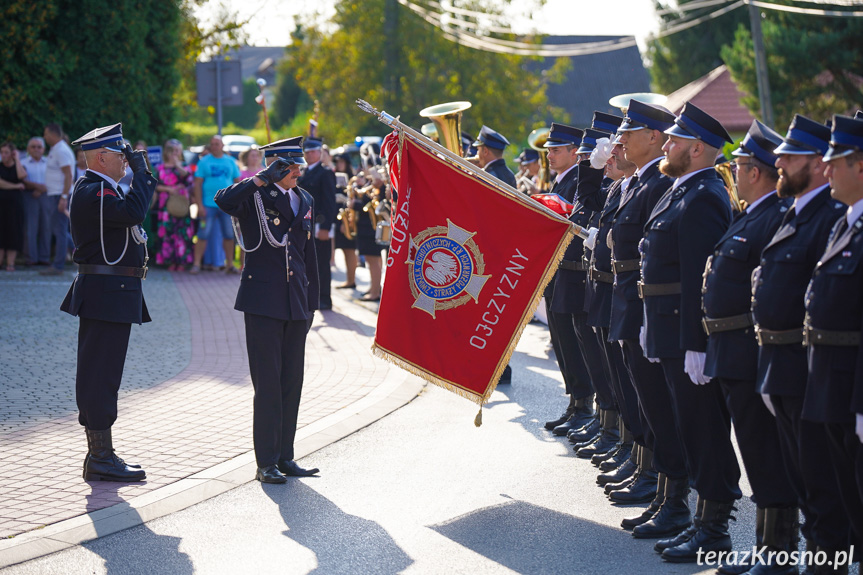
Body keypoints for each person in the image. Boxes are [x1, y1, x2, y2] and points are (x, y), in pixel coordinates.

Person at [752, 115, 850, 571]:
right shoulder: (794, 212)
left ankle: (825, 562)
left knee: (823, 484)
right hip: (783, 365)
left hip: (809, 368)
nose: (778, 161)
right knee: (802, 477)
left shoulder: (830, 216)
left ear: (815, 162)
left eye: (789, 156)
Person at [701, 120, 799, 574]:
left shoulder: (775, 215)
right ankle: (767, 547)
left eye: (739, 166)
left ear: (755, 172)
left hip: (750, 350)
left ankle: (778, 553)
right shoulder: (750, 213)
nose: (733, 173)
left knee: (766, 452)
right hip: (733, 350)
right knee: (757, 451)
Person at [214, 136, 320, 484]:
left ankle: (286, 456)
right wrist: (261, 178)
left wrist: (312, 305)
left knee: (292, 382)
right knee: (268, 385)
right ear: (274, 166)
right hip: (263, 302)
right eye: (289, 167)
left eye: (297, 166)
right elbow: (223, 202)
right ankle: (266, 461)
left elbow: (309, 258)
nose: (296, 172)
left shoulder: (305, 199)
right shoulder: (255, 195)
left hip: (295, 303)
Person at [60, 123, 155, 482]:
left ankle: (102, 454)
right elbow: (133, 213)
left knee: (106, 375)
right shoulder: (93, 190)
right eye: (120, 155)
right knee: (99, 376)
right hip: (104, 293)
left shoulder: (103, 188)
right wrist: (143, 173)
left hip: (113, 293)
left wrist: (135, 171)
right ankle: (99, 457)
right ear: (101, 157)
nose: (126, 162)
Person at [609, 100, 688, 532]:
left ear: (653, 138)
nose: (620, 140)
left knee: (660, 405)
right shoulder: (641, 182)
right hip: (629, 299)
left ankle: (673, 496)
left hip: (647, 307)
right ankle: (663, 490)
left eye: (629, 132)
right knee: (647, 402)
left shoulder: (657, 184)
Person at [805, 114, 863, 564]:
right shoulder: (846, 222)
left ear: (859, 166)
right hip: (830, 382)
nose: (825, 170)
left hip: (852, 388)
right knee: (844, 495)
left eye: (834, 162)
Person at [191, 135, 241, 274]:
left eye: (217, 144)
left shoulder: (230, 162)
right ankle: (196, 264)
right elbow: (197, 184)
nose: (214, 146)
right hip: (208, 205)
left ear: (222, 146)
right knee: (203, 234)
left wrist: (237, 205)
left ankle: (229, 265)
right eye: (212, 144)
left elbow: (238, 183)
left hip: (227, 206)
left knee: (229, 235)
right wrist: (199, 205)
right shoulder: (204, 162)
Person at [297, 137, 337, 310]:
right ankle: (311, 297)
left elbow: (329, 202)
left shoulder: (326, 173)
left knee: (321, 263)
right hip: (305, 224)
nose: (310, 155)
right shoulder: (302, 172)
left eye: (313, 151)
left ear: (320, 153)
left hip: (320, 224)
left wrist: (326, 227)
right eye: (307, 152)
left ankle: (324, 299)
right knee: (308, 264)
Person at [40, 123, 75, 276]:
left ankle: (58, 265)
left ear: (53, 134)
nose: (44, 137)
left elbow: (68, 175)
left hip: (60, 195)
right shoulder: (57, 149)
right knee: (59, 229)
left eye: (46, 134)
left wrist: (63, 197)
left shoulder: (61, 150)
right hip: (57, 194)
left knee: (60, 230)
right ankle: (83, 249)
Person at [153, 139, 194, 270]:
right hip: (165, 204)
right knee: (167, 232)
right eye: (172, 150)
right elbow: (155, 185)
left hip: (181, 203)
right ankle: (169, 261)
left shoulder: (184, 166)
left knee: (182, 232)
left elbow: (189, 180)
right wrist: (168, 189)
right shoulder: (159, 167)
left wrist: (178, 165)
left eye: (177, 150)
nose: (175, 153)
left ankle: (182, 261)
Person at [21, 137, 50, 266]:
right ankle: (30, 258)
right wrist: (38, 187)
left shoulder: (50, 162)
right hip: (29, 196)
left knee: (46, 227)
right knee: (30, 228)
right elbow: (22, 181)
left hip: (47, 196)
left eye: (39, 147)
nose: (36, 149)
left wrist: (40, 188)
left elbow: (55, 179)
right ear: (28, 149)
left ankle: (44, 257)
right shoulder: (23, 163)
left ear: (43, 149)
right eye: (33, 146)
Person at [333, 152, 359, 289]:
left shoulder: (352, 179)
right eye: (337, 162)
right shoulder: (333, 176)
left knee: (349, 250)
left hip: (348, 220)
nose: (339, 165)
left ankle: (351, 280)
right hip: (338, 218)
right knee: (344, 250)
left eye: (342, 162)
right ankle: (349, 279)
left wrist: (347, 222)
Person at [0, 142, 27, 271]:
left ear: (12, 153)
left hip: (15, 206)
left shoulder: (18, 166)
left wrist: (17, 160)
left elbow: (22, 176)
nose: (3, 155)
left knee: (13, 232)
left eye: (6, 152)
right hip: (1, 205)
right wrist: (16, 186)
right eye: (2, 152)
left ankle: (10, 263)